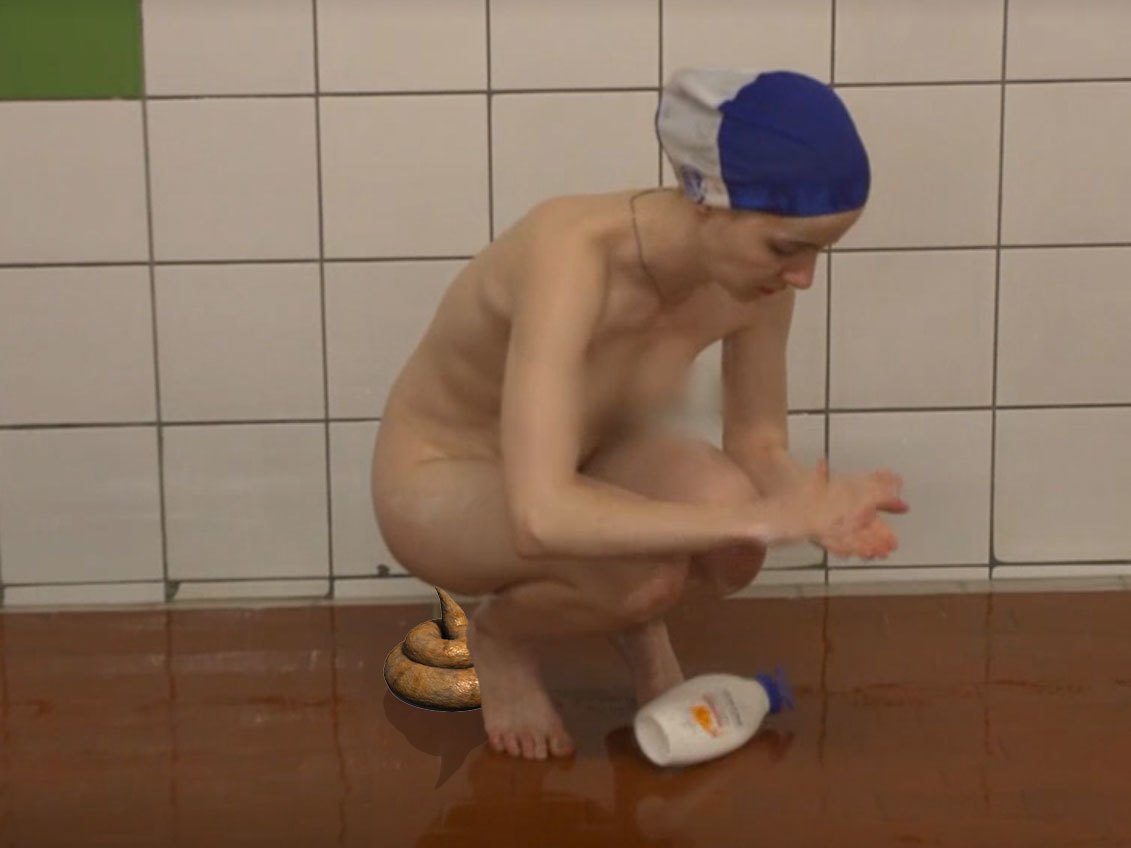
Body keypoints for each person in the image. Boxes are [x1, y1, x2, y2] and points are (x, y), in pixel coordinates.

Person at [371, 68, 910, 760]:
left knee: (730, 545)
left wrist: (815, 506)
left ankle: (634, 621)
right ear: (706, 200)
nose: (803, 277)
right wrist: (770, 518)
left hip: (580, 461)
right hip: (444, 478)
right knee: (650, 570)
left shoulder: (759, 282)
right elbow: (542, 515)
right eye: (785, 248)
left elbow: (756, 443)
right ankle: (501, 636)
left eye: (818, 251)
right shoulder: (572, 254)